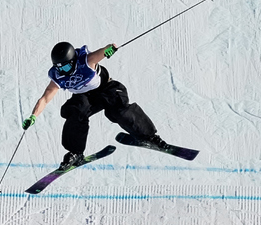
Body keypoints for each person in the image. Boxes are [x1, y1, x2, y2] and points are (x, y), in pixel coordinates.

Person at [22, 41, 167, 169]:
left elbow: (104, 51)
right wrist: (33, 116)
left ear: (73, 61)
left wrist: (110, 49)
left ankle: (148, 136)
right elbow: (46, 97)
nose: (63, 72)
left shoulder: (86, 61)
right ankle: (75, 153)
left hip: (106, 89)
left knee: (119, 110)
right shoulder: (59, 76)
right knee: (75, 112)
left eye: (65, 68)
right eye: (59, 68)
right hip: (85, 97)